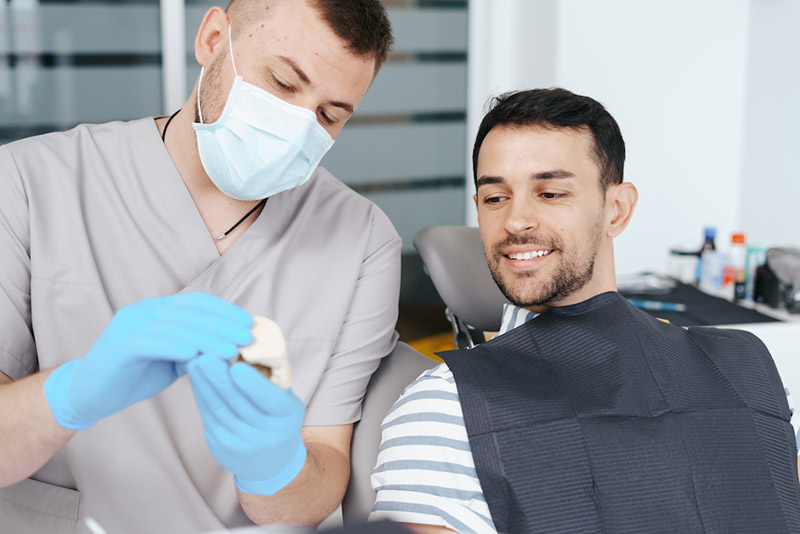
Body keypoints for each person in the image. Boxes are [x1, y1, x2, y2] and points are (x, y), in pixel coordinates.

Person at [0, 1, 400, 532]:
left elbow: (322, 474)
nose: (298, 126)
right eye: (282, 83)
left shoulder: (363, 241)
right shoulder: (28, 184)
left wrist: (276, 469)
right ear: (213, 39)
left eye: (329, 115)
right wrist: (70, 393)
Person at [370, 88, 800, 533]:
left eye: (551, 193)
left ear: (616, 210)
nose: (516, 221)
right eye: (495, 198)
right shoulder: (446, 405)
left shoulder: (743, 365)